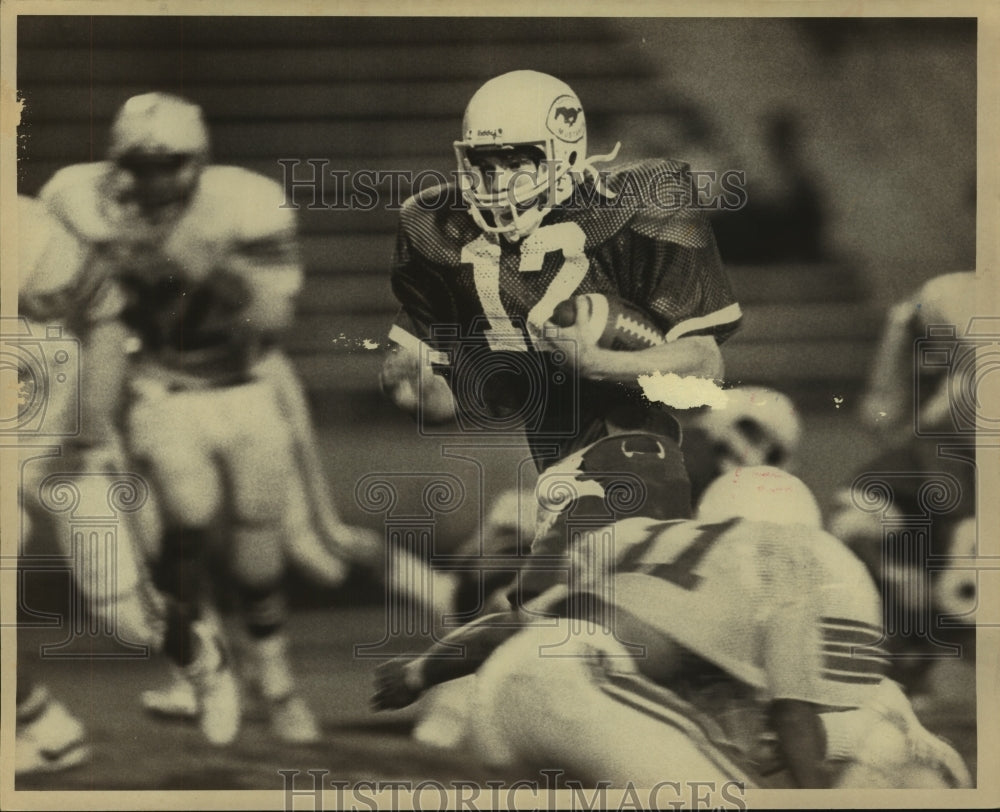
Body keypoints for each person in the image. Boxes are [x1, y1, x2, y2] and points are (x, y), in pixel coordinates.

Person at [38, 92, 360, 745]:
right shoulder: (75, 200)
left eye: (170, 165)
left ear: (200, 161)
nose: (154, 182)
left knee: (259, 555)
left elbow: (273, 319)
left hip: (245, 386)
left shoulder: (244, 203)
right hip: (161, 389)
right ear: (115, 162)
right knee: (182, 521)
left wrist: (214, 266)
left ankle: (275, 682)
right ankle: (207, 670)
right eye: (139, 165)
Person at [381, 69, 742, 605]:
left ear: (563, 155)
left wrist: (597, 361)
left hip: (640, 468)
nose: (497, 179)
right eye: (485, 163)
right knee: (489, 586)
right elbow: (435, 398)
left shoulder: (644, 202)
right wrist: (410, 383)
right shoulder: (440, 230)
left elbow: (704, 367)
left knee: (541, 621)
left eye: (516, 161)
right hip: (562, 476)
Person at [373, 466, 971, 789]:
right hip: (585, 688)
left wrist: (421, 671)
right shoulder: (791, 558)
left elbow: (506, 629)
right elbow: (795, 715)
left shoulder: (646, 537)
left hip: (502, 694)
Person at [14, 194, 153, 774]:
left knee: (131, 620)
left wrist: (90, 428)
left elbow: (104, 320)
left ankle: (207, 655)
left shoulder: (22, 226)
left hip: (55, 437)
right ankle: (41, 723)